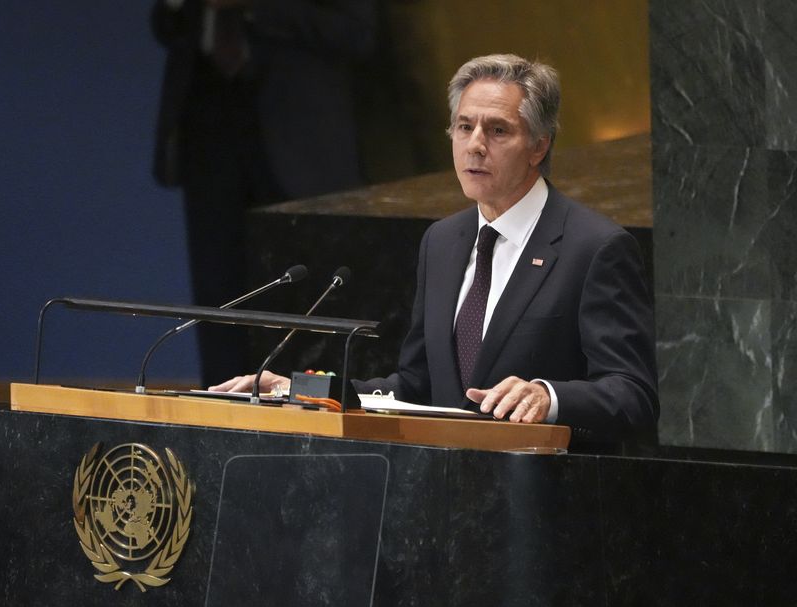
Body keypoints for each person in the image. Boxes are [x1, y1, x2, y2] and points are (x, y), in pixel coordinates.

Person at [212, 53, 659, 445]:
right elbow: (415, 386)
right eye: (464, 127)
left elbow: (633, 395)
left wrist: (549, 396)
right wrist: (297, 391)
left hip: (545, 503)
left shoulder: (594, 247)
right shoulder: (443, 242)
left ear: (539, 146)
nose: (475, 145)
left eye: (498, 130)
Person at [151, 0, 376, 387]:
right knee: (218, 295)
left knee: (306, 294)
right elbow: (166, 24)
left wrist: (255, 7)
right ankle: (220, 417)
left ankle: (303, 410)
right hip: (206, 128)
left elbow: (359, 33)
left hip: (304, 137)